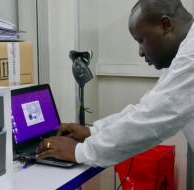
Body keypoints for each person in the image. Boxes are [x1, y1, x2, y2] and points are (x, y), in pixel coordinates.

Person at [36, 0, 194, 167]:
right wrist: (93, 131)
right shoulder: (182, 56)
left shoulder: (191, 56)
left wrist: (80, 152)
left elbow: (153, 116)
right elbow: (146, 108)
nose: (140, 52)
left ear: (166, 25)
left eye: (141, 40)